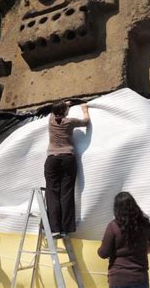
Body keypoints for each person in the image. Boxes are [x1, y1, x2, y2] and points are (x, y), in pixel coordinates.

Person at [44, 100, 90, 238]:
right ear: (65, 111)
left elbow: (56, 111)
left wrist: (65, 104)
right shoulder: (70, 122)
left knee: (52, 193)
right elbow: (86, 122)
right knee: (66, 193)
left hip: (52, 159)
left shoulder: (51, 120)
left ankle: (54, 229)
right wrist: (85, 109)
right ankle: (66, 228)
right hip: (68, 159)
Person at [97, 192, 150, 288]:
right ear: (134, 206)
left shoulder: (113, 226)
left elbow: (103, 253)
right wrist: (145, 251)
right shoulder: (144, 224)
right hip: (140, 277)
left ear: (116, 209)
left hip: (118, 278)